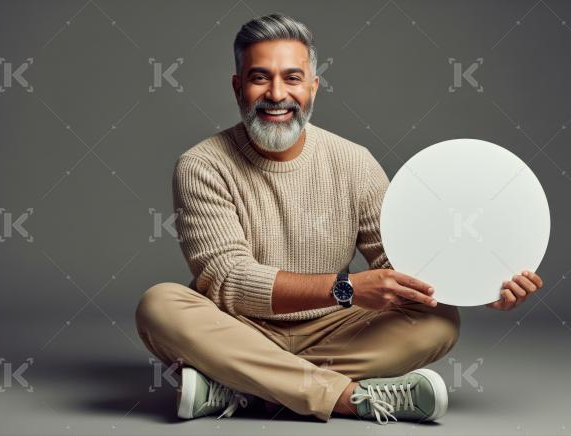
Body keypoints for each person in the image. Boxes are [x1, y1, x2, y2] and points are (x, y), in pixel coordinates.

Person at [134, 13, 544, 425]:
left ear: (313, 87)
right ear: (238, 86)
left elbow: (403, 265)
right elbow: (230, 283)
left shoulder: (354, 162)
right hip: (239, 328)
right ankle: (350, 397)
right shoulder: (202, 165)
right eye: (260, 78)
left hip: (334, 333)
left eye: (293, 78)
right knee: (160, 306)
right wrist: (345, 289)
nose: (277, 94)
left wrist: (476, 285)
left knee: (438, 320)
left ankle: (244, 386)